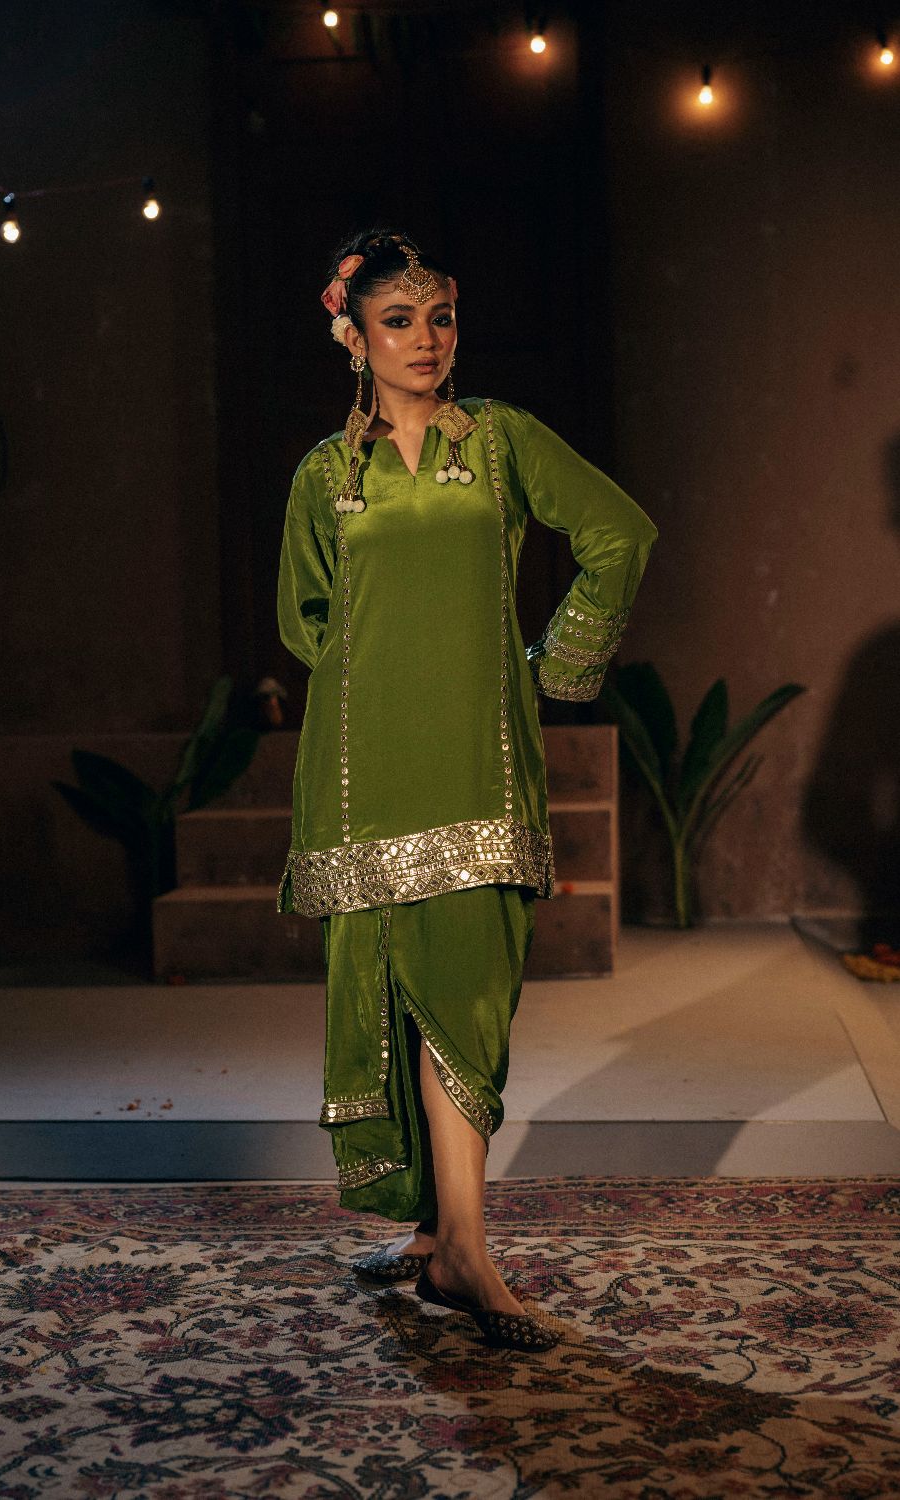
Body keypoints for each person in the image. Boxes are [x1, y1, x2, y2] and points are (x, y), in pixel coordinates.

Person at [276, 228, 658, 1351]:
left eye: (440, 317)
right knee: (391, 1000)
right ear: (354, 339)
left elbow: (619, 534)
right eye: (398, 321)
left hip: (478, 766)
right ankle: (447, 1240)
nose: (427, 339)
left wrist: (552, 667)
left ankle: (463, 1247)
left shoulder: (500, 442)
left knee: (468, 995)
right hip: (364, 775)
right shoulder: (322, 476)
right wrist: (383, 684)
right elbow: (304, 623)